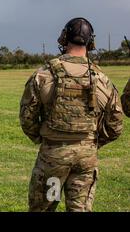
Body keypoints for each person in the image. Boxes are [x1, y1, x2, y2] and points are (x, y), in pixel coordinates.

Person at [20, 18, 123, 212]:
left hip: (53, 158)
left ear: (64, 38)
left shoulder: (44, 74)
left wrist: (42, 138)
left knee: (45, 207)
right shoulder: (102, 79)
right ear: (91, 42)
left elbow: (27, 117)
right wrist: (91, 143)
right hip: (85, 159)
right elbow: (116, 125)